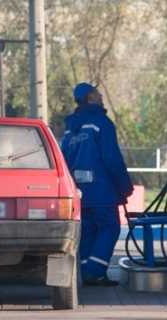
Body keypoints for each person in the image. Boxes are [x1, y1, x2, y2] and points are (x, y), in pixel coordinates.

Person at [61, 82, 134, 286]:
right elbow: (111, 158)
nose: (101, 96)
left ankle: (85, 271)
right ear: (91, 98)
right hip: (101, 191)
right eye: (97, 93)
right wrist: (124, 186)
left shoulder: (70, 130)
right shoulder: (101, 123)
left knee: (89, 230)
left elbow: (64, 159)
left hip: (79, 192)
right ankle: (95, 271)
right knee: (110, 227)